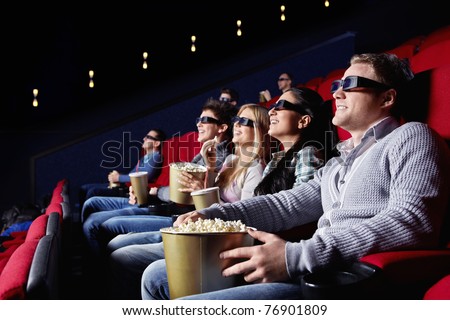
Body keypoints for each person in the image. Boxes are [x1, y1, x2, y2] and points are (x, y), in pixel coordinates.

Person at [141, 52, 450, 300]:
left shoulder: (411, 136)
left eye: (351, 83)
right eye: (335, 86)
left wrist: (297, 256)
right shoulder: (340, 158)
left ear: (387, 99)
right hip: (315, 270)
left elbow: (413, 220)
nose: (338, 92)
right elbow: (284, 205)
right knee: (156, 276)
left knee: (171, 291)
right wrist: (216, 214)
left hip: (348, 280)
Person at [107, 87, 332, 299]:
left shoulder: (304, 154)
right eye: (237, 119)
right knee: (121, 246)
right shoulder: (272, 160)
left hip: (247, 243)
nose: (273, 109)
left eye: (244, 121)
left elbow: (294, 207)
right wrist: (209, 176)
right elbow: (261, 205)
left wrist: (210, 208)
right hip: (222, 231)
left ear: (303, 120)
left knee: (140, 264)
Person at [105, 103, 270, 299]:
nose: (237, 124)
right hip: (194, 225)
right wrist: (209, 170)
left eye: (244, 121)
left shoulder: (254, 169)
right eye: (237, 119)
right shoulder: (230, 161)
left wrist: (199, 192)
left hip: (211, 240)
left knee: (122, 255)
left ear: (260, 130)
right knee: (116, 246)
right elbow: (205, 195)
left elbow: (243, 220)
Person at [81, 98, 236, 257]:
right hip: (167, 208)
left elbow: (183, 194)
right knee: (95, 212)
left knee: (102, 229)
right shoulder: (205, 153)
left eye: (205, 120)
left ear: (222, 127)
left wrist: (156, 192)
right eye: (198, 119)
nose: (198, 124)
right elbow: (180, 190)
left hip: (178, 217)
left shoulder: (221, 158)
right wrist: (150, 193)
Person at [78, 128, 166, 212]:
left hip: (129, 190)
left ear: (156, 143)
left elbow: (146, 176)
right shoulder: (146, 157)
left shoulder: (156, 157)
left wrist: (119, 178)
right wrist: (118, 177)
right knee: (84, 188)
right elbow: (132, 173)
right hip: (126, 185)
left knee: (93, 191)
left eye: (148, 137)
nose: (144, 138)